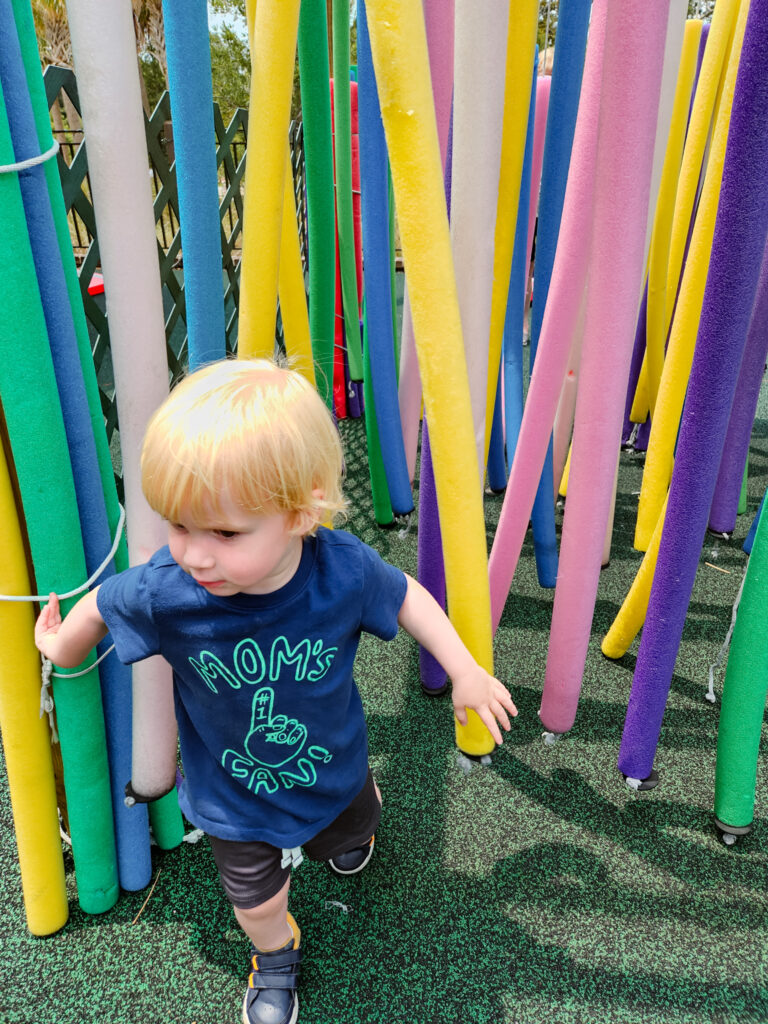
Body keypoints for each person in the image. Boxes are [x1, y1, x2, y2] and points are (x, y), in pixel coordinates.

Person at [35, 358, 518, 1024]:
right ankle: (277, 954)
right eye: (178, 526)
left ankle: (357, 819)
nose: (196, 555)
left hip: (334, 771)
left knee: (349, 833)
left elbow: (405, 595)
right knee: (256, 900)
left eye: (226, 534)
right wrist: (61, 647)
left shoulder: (339, 570)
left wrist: (464, 668)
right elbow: (103, 605)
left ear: (301, 512)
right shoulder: (170, 589)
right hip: (232, 793)